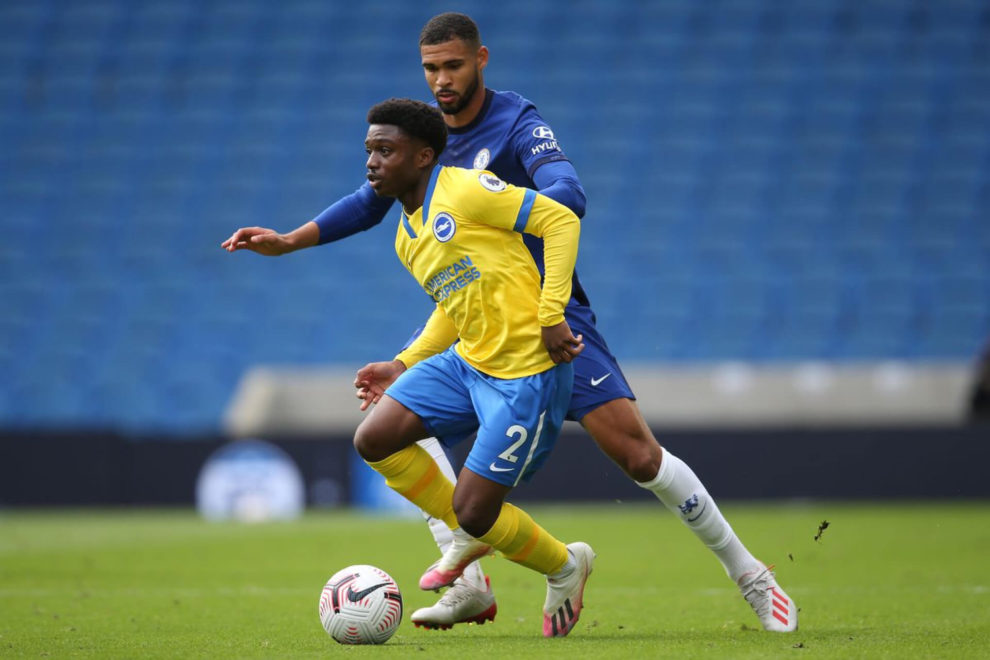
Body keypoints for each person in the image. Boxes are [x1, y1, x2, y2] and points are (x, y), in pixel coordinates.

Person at [221, 12, 796, 634]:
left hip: (551, 316)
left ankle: (749, 574)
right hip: (480, 316)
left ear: (481, 60)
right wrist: (290, 240)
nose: (442, 80)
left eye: (453, 66)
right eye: (431, 69)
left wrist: (518, 208)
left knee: (638, 456)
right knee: (395, 420)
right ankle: (469, 576)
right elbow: (369, 202)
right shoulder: (421, 139)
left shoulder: (516, 122)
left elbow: (566, 194)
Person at [231, 97, 595, 638]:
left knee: (476, 511)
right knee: (375, 438)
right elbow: (454, 305)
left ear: (423, 156)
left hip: (527, 371)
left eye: (385, 150)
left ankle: (565, 566)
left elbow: (560, 219)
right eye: (369, 151)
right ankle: (467, 545)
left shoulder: (466, 189)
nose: (371, 162)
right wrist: (403, 362)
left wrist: (550, 314)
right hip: (469, 362)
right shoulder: (407, 235)